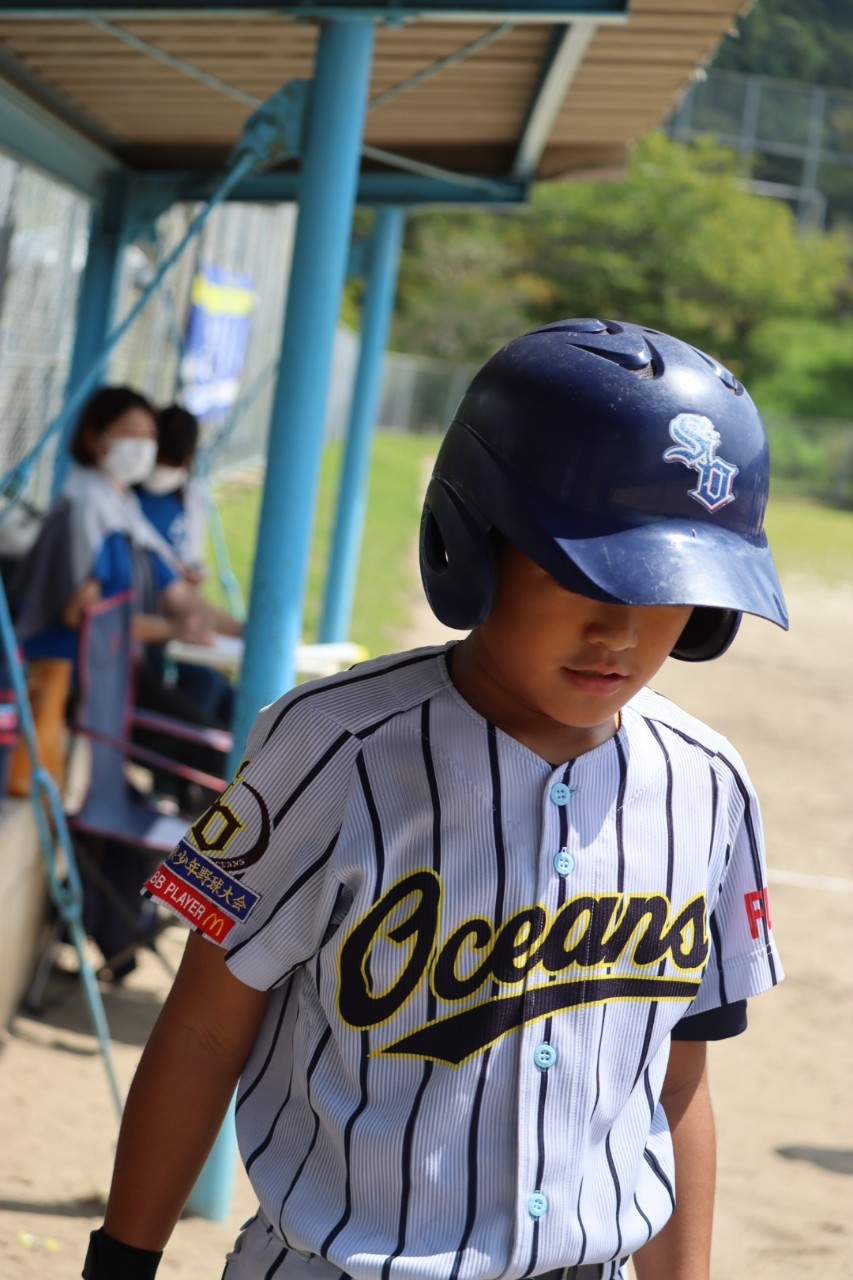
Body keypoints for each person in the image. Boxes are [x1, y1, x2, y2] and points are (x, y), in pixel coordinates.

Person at [83, 319, 787, 1280]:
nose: (617, 630)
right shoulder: (330, 745)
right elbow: (205, 1026)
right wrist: (122, 1262)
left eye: (669, 584)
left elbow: (674, 1080)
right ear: (471, 540)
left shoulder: (707, 786)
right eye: (578, 571)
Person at [136, 402, 239, 728]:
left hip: (171, 630)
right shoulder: (123, 507)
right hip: (142, 649)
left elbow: (180, 592)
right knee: (206, 691)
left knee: (224, 696)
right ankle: (176, 779)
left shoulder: (188, 496)